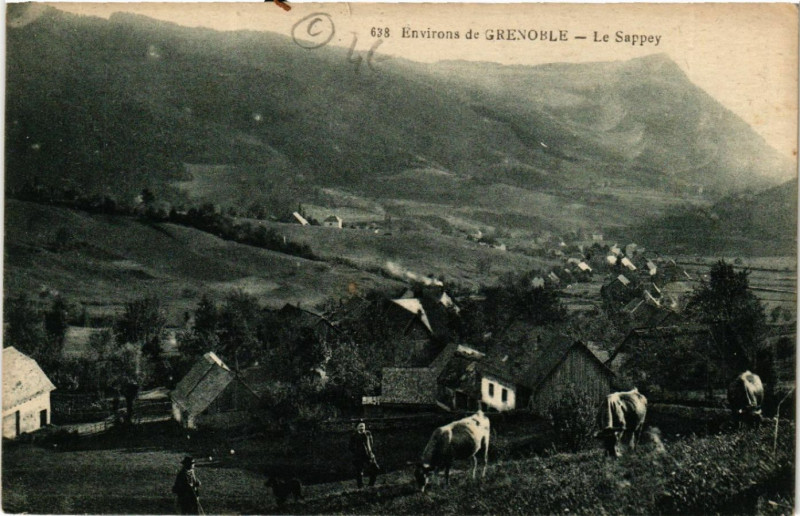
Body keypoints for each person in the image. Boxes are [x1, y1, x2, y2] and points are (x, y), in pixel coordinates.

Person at [349, 421, 379, 488]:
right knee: (359, 471)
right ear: (356, 428)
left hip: (368, 455)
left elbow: (371, 443)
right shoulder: (354, 436)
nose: (362, 428)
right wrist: (357, 452)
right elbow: (350, 447)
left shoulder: (368, 434)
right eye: (360, 426)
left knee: (375, 468)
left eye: (363, 426)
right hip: (359, 456)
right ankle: (360, 487)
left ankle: (371, 485)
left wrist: (370, 452)